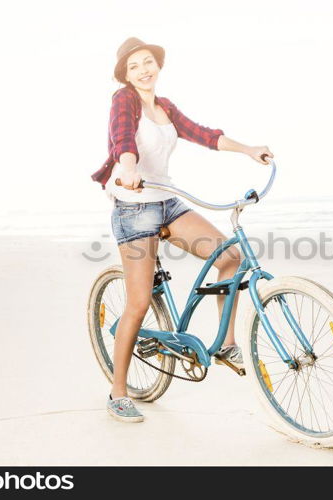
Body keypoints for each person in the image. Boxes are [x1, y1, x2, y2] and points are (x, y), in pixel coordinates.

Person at [91, 37, 274, 422]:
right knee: (139, 303)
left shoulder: (165, 107)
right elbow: (122, 137)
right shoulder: (123, 100)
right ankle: (118, 391)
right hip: (134, 208)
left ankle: (224, 345)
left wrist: (247, 149)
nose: (143, 69)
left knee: (230, 256)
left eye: (148, 62)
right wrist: (127, 167)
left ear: (157, 66)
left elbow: (204, 134)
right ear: (125, 74)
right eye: (135, 65)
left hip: (167, 201)